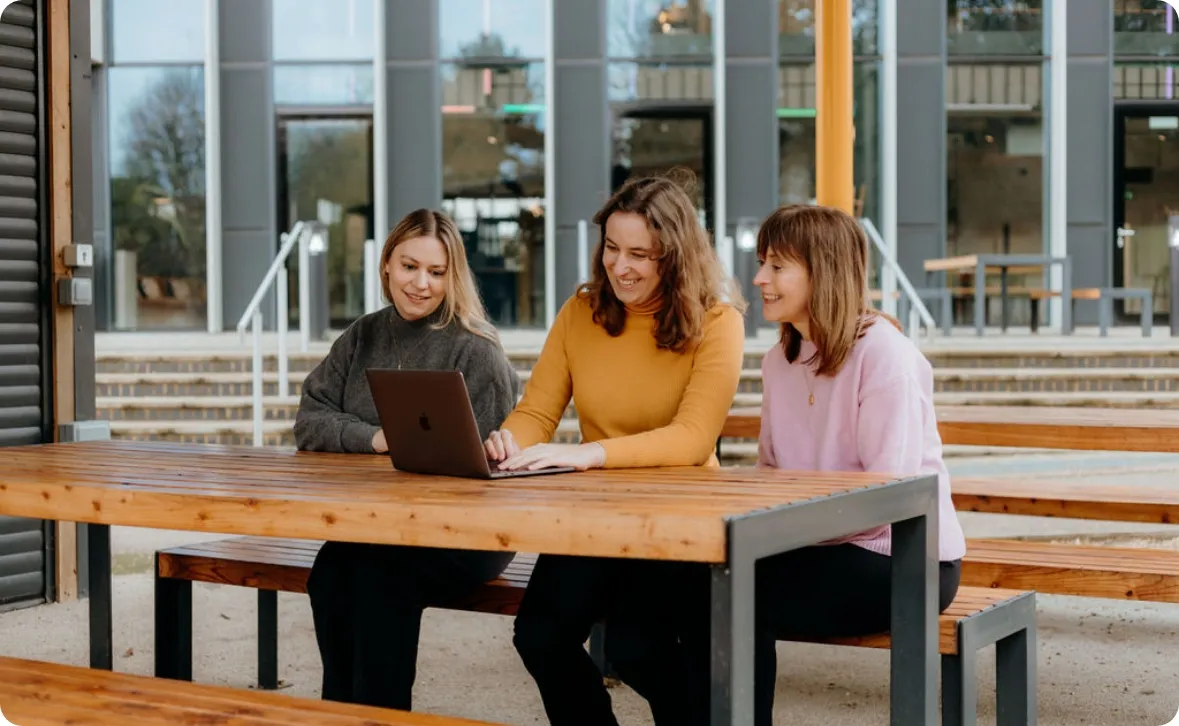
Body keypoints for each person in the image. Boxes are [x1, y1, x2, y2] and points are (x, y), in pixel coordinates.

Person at [614, 203, 969, 725]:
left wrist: (768, 537)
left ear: (822, 271)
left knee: (734, 595)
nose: (759, 278)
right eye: (763, 263)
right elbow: (771, 474)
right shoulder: (780, 362)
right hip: (810, 544)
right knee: (643, 610)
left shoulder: (884, 355)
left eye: (777, 266)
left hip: (902, 557)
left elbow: (886, 501)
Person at [481, 173, 747, 725]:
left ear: (674, 257)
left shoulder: (719, 321)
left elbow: (695, 438)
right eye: (611, 248)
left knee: (637, 648)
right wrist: (508, 441)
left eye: (640, 255)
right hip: (597, 515)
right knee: (539, 635)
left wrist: (590, 453)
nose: (620, 266)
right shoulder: (581, 312)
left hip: (682, 522)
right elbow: (537, 412)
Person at [293, 208, 519, 711]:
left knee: (378, 576)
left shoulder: (476, 351)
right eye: (409, 267)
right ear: (387, 266)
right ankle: (342, 711)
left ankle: (379, 715)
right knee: (330, 570)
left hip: (465, 533)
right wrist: (377, 439)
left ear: (452, 276)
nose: (420, 284)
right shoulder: (363, 336)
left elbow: (493, 474)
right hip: (380, 524)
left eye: (436, 272)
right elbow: (310, 418)